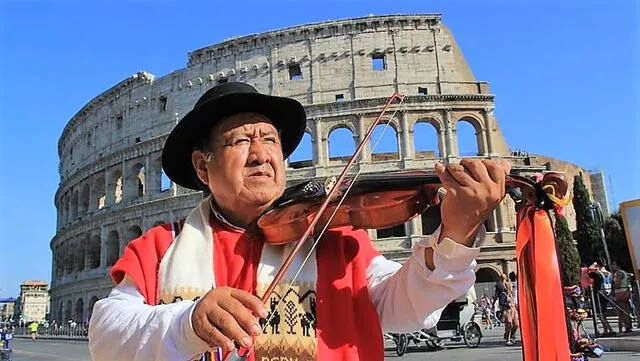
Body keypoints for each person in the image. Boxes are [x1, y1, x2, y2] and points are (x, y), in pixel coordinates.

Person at [87, 82, 511, 361]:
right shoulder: (162, 246)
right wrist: (189, 321)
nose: (261, 153)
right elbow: (106, 335)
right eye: (241, 141)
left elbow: (408, 308)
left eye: (270, 139)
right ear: (202, 166)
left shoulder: (336, 240)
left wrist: (456, 234)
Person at [587, 262, 615, 336]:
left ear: (598, 265)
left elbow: (588, 271)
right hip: (607, 294)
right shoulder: (610, 274)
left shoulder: (597, 273)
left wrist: (593, 264)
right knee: (603, 313)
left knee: (600, 314)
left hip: (599, 294)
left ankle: (610, 330)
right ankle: (606, 331)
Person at [611, 261, 633, 333]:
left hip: (620, 293)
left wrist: (613, 284)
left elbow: (618, 284)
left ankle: (627, 326)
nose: (612, 266)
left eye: (614, 264)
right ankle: (626, 326)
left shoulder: (618, 273)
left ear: (617, 266)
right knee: (625, 309)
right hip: (625, 292)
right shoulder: (625, 273)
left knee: (622, 310)